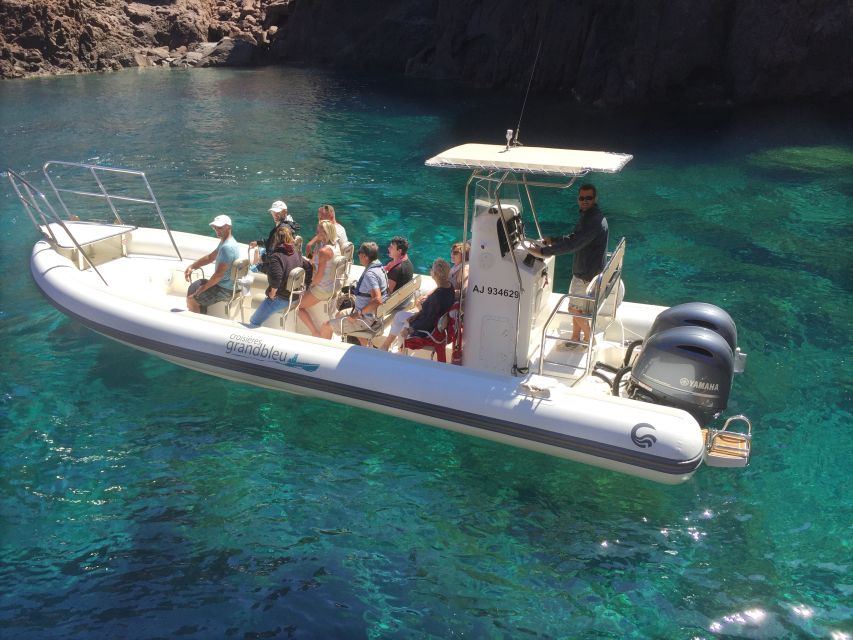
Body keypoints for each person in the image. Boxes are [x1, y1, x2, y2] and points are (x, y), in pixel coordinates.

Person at [527, 183, 608, 346]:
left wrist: (543, 251)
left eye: (589, 198)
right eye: (582, 198)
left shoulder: (593, 221)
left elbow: (573, 244)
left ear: (595, 199)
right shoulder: (590, 216)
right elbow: (575, 237)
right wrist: (554, 240)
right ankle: (575, 338)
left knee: (573, 309)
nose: (585, 201)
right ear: (578, 199)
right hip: (585, 270)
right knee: (576, 306)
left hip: (586, 274)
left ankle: (589, 339)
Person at [378, 258, 454, 352]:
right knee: (399, 316)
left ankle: (398, 352)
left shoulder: (437, 297)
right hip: (434, 324)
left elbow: (428, 321)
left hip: (428, 331)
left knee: (403, 328)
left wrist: (410, 329)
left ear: (435, 274)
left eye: (431, 269)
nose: (430, 271)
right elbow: (430, 314)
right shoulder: (449, 286)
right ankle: (386, 346)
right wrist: (416, 315)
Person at [320, 241, 387, 340]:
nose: (358, 255)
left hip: (365, 319)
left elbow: (377, 299)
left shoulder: (370, 274)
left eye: (359, 253)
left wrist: (358, 314)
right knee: (339, 314)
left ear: (365, 256)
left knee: (326, 326)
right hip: (375, 317)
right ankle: (366, 348)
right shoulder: (380, 268)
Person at [246, 225, 302, 328]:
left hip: (282, 299)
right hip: (295, 297)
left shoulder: (276, 256)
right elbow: (306, 267)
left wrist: (272, 294)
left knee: (253, 321)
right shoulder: (296, 252)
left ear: (276, 239)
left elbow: (277, 278)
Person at [184, 214, 240, 314]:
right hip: (227, 285)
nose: (217, 230)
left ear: (229, 227)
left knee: (191, 299)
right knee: (195, 286)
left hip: (225, 289)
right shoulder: (226, 241)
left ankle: (196, 320)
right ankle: (201, 311)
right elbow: (210, 257)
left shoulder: (227, 248)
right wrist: (193, 266)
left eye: (220, 227)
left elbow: (218, 275)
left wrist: (202, 289)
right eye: (215, 227)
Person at [297, 220, 341, 336]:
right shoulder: (335, 246)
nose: (316, 232)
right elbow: (312, 258)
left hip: (323, 289)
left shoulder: (324, 251)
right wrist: (310, 245)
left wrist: (309, 285)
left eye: (318, 231)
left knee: (297, 306)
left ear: (325, 233)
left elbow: (319, 276)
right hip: (332, 285)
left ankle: (315, 332)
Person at [249, 200, 300, 273]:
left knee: (250, 271)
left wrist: (262, 258)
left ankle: (256, 268)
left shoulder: (282, 230)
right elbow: (272, 241)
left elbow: (276, 253)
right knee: (260, 250)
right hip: (280, 258)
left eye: (278, 213)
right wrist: (258, 242)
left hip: (275, 264)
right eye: (273, 213)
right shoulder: (289, 224)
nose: (275, 215)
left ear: (285, 212)